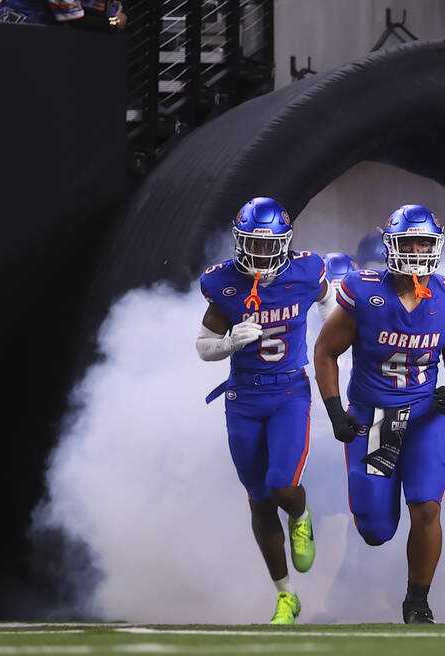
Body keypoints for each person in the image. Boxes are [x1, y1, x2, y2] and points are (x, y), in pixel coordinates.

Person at [313, 204, 445, 624]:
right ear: (391, 246)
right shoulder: (363, 291)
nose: (418, 250)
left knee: (427, 508)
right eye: (409, 241)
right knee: (375, 530)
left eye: (424, 242)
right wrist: (335, 411)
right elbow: (326, 351)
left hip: (423, 420)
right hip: (378, 421)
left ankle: (417, 602)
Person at [195, 197, 334, 625]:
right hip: (243, 398)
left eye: (267, 244)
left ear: (285, 244)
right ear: (239, 242)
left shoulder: (308, 271)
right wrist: (229, 343)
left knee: (281, 485)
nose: (259, 253)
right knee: (257, 499)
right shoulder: (223, 283)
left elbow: (332, 305)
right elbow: (203, 348)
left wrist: (329, 346)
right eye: (251, 244)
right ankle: (285, 595)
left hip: (289, 391)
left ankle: (301, 514)